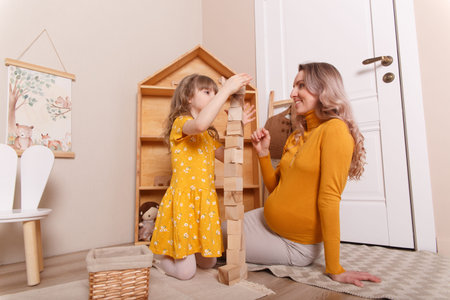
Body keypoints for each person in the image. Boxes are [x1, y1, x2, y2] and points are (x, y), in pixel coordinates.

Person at [247, 62, 381, 287]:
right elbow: (276, 189)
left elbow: (329, 199)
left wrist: (335, 268)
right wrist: (262, 154)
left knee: (215, 242)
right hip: (266, 221)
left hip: (295, 244)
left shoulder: (335, 131)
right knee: (213, 228)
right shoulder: (298, 135)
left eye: (301, 86)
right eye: (293, 86)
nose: (292, 93)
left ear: (323, 90)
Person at [150, 73, 255, 280]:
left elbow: (228, 156)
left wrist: (238, 126)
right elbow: (199, 125)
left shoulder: (208, 135)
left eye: (215, 92)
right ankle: (158, 258)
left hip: (204, 201)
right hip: (184, 202)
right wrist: (226, 91)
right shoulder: (181, 123)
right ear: (188, 97)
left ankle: (183, 252)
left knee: (209, 263)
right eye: (207, 92)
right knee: (186, 273)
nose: (213, 96)